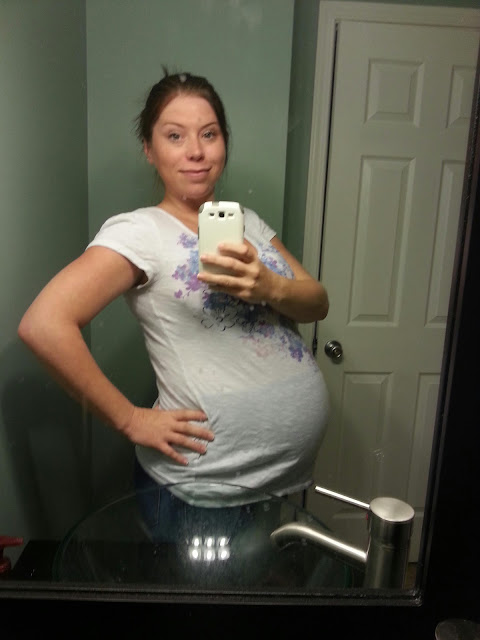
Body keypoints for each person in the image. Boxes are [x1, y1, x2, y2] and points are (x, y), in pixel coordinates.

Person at [18, 69, 330, 553]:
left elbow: (317, 302)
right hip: (204, 491)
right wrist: (130, 419)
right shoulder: (140, 231)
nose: (196, 151)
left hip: (278, 483)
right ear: (149, 149)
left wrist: (270, 286)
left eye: (209, 133)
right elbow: (43, 324)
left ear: (224, 142)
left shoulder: (248, 223)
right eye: (174, 136)